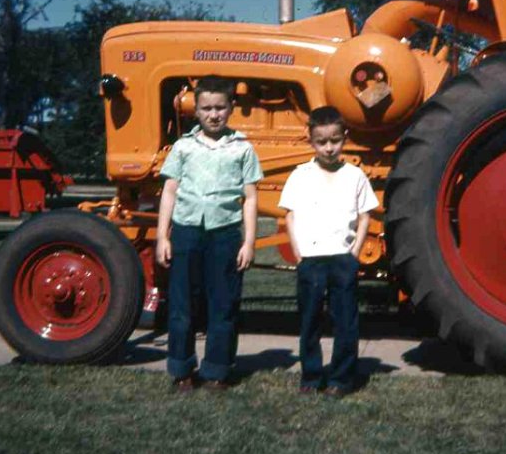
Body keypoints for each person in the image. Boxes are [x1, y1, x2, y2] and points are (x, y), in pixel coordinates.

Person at [156, 75, 262, 392]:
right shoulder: (183, 147)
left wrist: (249, 241)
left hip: (225, 235)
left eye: (219, 107)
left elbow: (251, 197)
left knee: (224, 304)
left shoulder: (242, 148)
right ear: (196, 111)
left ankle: (216, 371)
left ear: (231, 108)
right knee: (182, 305)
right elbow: (169, 192)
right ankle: (182, 370)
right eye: (206, 108)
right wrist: (163, 236)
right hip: (187, 232)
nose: (213, 114)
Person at [279, 105, 379, 397]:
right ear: (311, 141)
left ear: (344, 138)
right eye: (322, 141)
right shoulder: (300, 175)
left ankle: (340, 379)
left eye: (335, 140)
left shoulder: (355, 175)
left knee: (345, 320)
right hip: (310, 259)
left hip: (342, 258)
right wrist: (298, 253)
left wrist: (355, 251)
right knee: (310, 319)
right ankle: (311, 376)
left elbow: (365, 216)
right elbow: (290, 215)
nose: (329, 148)